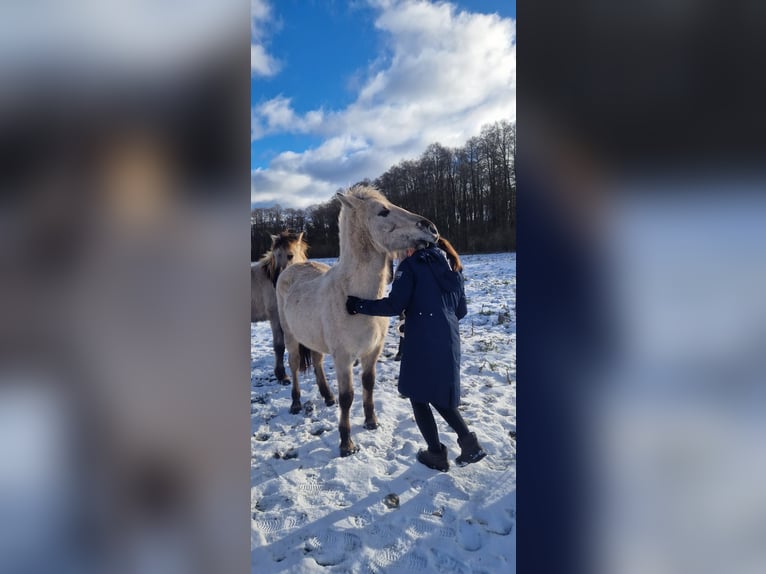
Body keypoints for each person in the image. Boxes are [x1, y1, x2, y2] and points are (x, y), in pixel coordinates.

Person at [346, 238, 486, 471]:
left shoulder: (410, 266)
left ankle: (436, 454)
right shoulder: (452, 267)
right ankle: (470, 445)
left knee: (418, 395)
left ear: (410, 248)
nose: (399, 256)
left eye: (400, 251)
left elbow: (393, 305)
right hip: (449, 340)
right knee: (437, 394)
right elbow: (461, 311)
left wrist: (359, 305)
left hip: (422, 341)